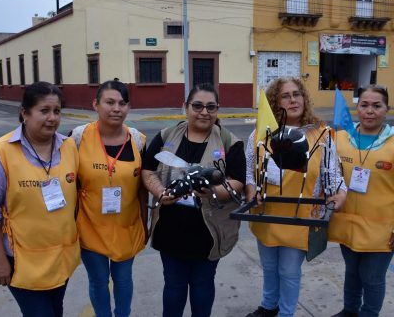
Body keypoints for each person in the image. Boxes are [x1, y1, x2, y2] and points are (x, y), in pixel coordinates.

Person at [245, 77, 346, 317]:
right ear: (275, 102)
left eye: (296, 94)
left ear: (304, 98)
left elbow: (333, 173)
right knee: (269, 267)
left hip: (300, 217)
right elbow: (250, 171)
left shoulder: (321, 135)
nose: (292, 100)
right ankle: (268, 306)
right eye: (285, 96)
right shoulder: (260, 133)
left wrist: (340, 193)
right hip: (266, 214)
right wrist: (251, 189)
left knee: (289, 271)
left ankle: (286, 313)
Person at [142, 83, 245, 317]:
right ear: (185, 107)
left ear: (218, 109)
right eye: (197, 106)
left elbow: (238, 180)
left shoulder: (230, 141)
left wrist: (215, 192)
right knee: (174, 285)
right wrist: (160, 192)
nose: (204, 112)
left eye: (211, 107)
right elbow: (147, 171)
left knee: (202, 285)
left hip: (209, 232)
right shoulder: (166, 136)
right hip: (171, 229)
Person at [0, 82, 80, 316]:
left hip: (61, 258)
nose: (52, 118)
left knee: (56, 311)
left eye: (57, 111)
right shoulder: (2, 151)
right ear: (24, 113)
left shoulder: (69, 146)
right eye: (44, 111)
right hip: (22, 261)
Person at [70, 80, 147, 317]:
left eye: (122, 103)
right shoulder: (78, 137)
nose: (116, 108)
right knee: (99, 282)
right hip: (90, 226)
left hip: (127, 226)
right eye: (110, 102)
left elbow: (142, 187)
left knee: (124, 280)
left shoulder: (137, 140)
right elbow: (70, 183)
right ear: (96, 104)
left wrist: (146, 222)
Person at [329, 85, 394, 317]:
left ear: (386, 109)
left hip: (382, 229)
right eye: (364, 105)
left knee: (373, 278)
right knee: (352, 272)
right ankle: (349, 310)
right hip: (347, 224)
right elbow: (329, 176)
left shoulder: (393, 143)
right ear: (357, 108)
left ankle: (368, 313)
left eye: (377, 106)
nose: (369, 111)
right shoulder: (341, 139)